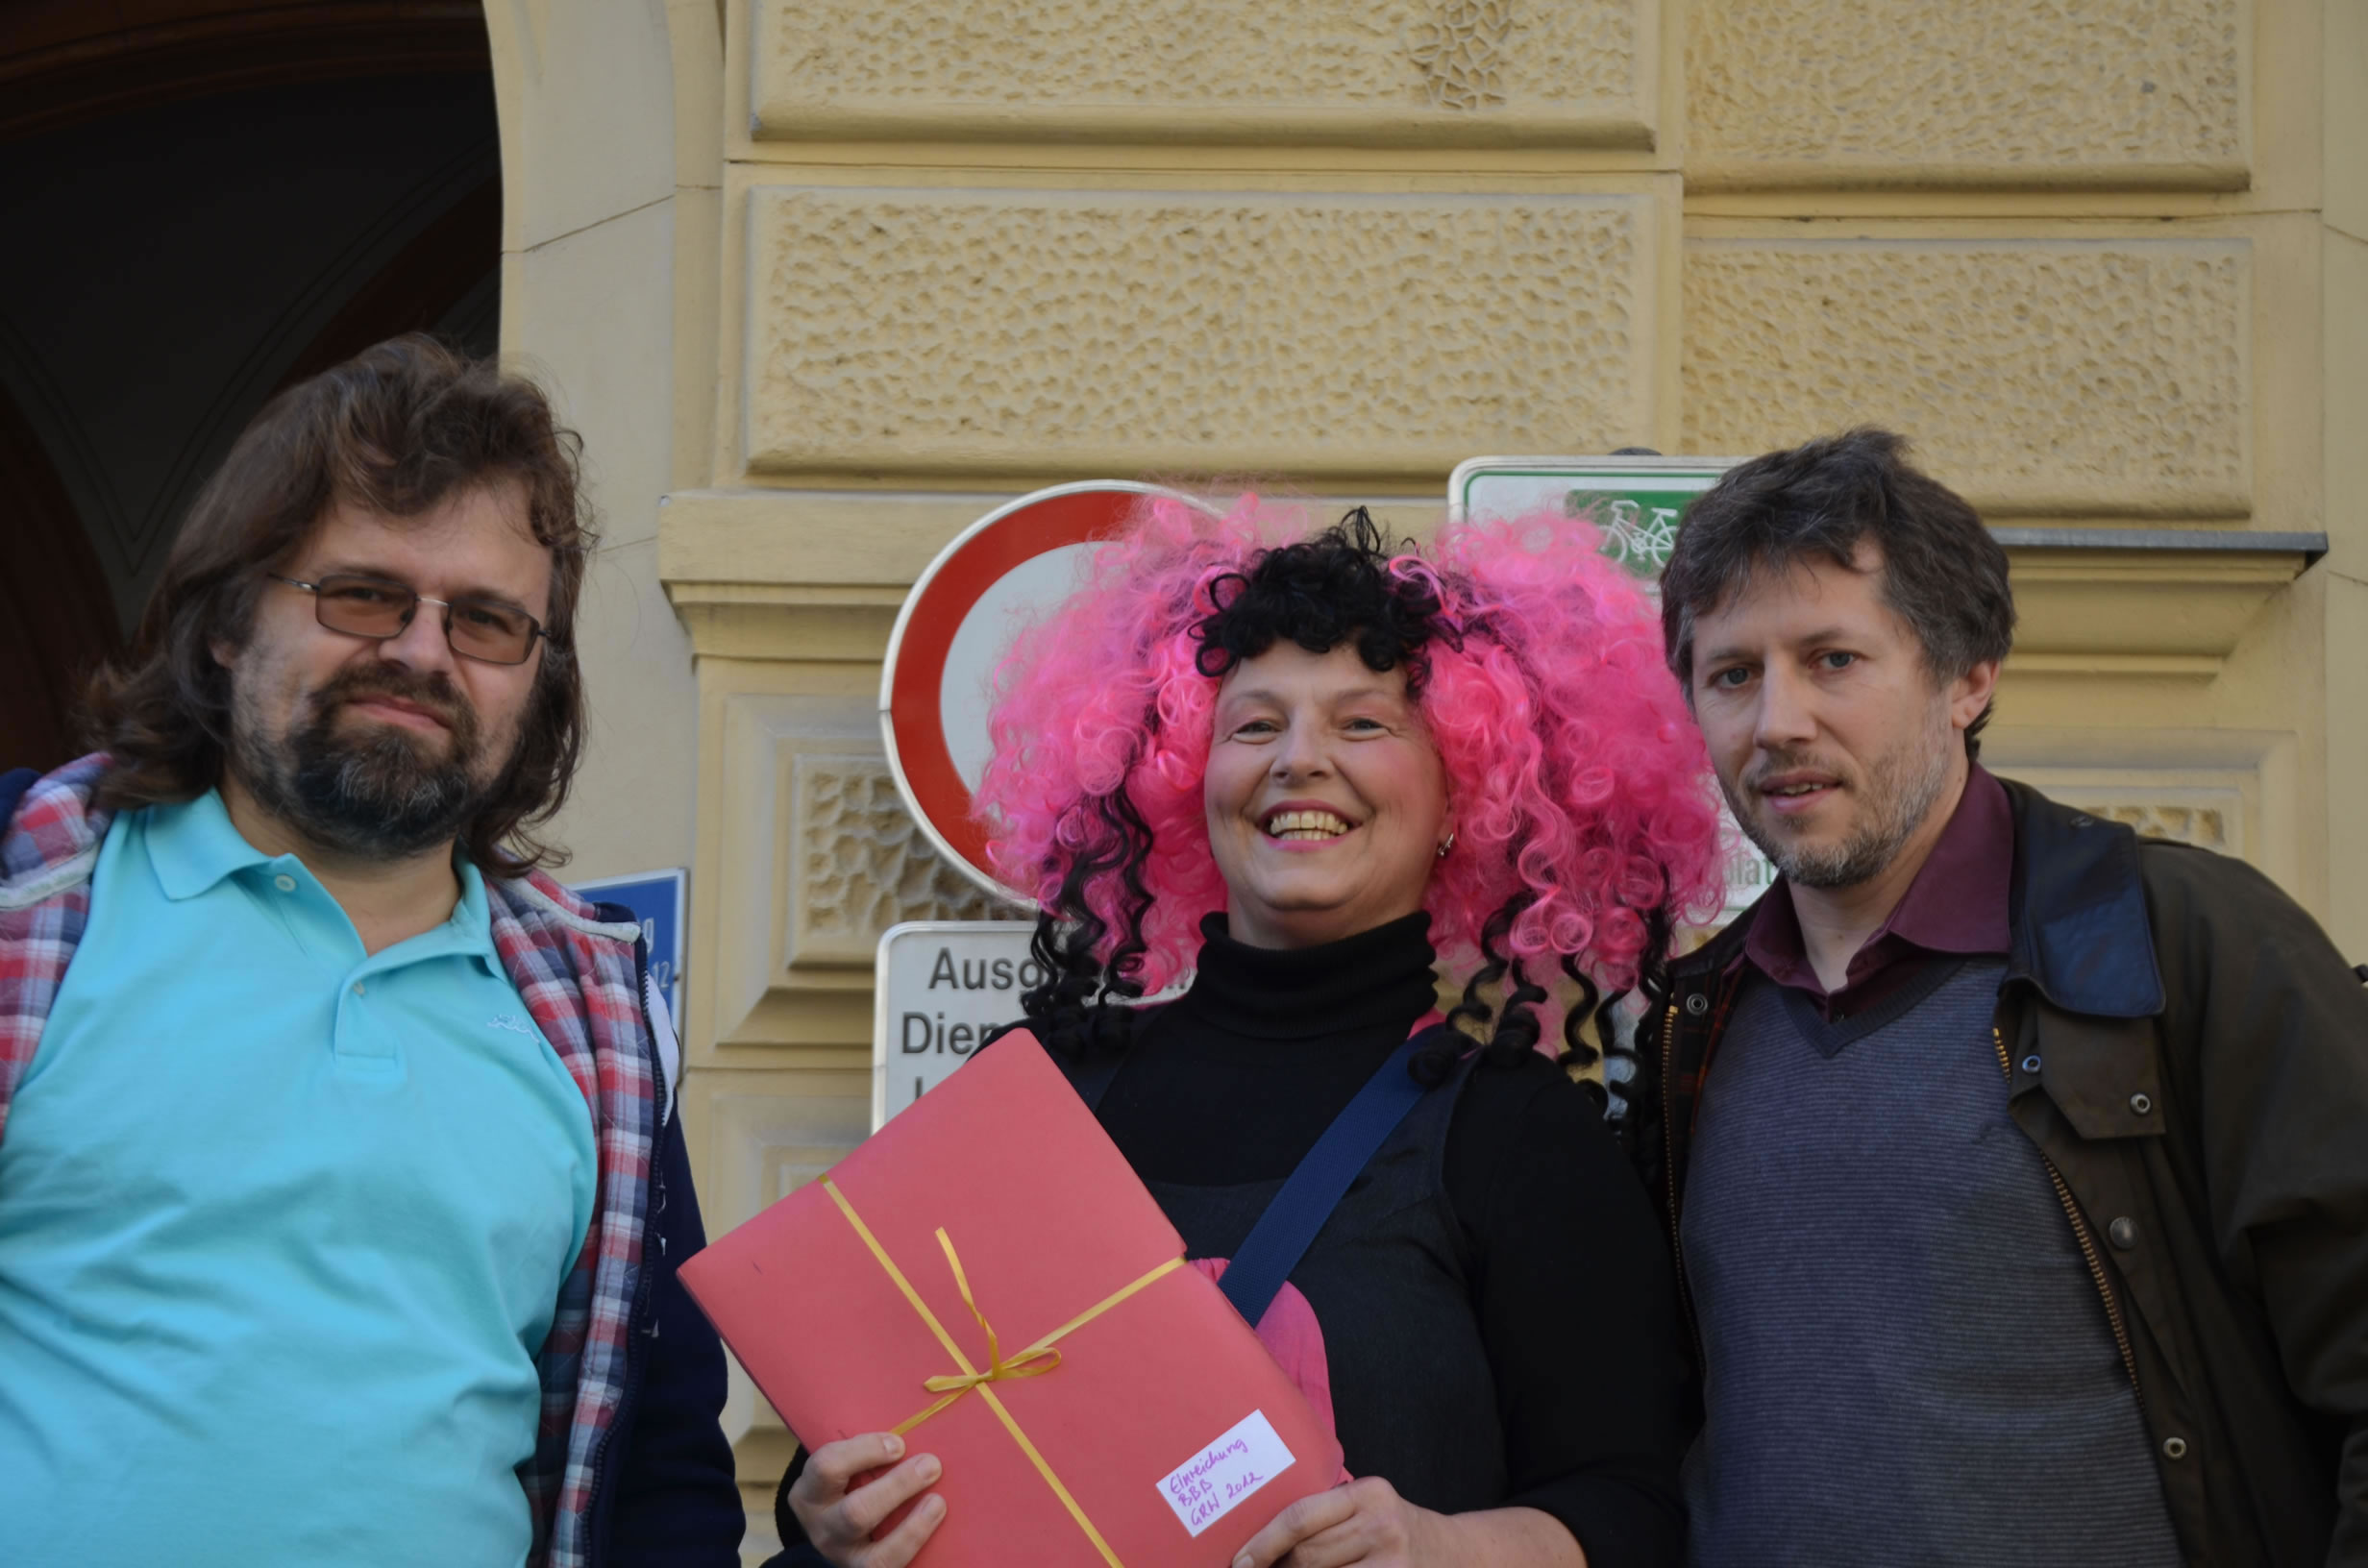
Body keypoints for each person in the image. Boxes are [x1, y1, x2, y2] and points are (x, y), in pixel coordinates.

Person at [773, 499, 1727, 1568]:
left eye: (1363, 724)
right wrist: (829, 1513)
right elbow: (849, 1447)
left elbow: (1632, 1509)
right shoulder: (1034, 1093)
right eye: (1253, 725)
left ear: (1463, 794)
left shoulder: (1518, 1134)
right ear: (1184, 779)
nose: (1299, 761)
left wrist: (1437, 1547)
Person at [0, 337, 744, 1566]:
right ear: (231, 621)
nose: (421, 652)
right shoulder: (33, 899)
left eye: (489, 622)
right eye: (362, 596)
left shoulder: (600, 1016)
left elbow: (664, 1468)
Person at [1640, 427, 2368, 1567]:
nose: (1776, 722)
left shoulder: (2181, 943)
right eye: (1732, 673)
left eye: (1833, 658)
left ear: (1966, 679)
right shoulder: (1693, 1019)